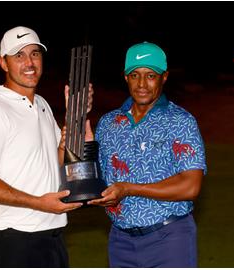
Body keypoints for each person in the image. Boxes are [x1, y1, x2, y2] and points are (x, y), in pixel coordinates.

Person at [0, 26, 93, 267]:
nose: (29, 62)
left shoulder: (42, 104)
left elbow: (56, 159)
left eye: (35, 53)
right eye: (19, 55)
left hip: (52, 238)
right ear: (3, 63)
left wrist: (76, 115)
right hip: (15, 243)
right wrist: (38, 202)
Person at [88, 41, 207, 267]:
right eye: (135, 75)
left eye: (151, 75)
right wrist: (80, 147)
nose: (142, 84)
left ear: (164, 77)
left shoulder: (180, 122)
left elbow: (191, 187)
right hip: (120, 240)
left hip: (169, 237)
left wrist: (129, 189)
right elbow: (98, 180)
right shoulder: (108, 123)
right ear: (125, 77)